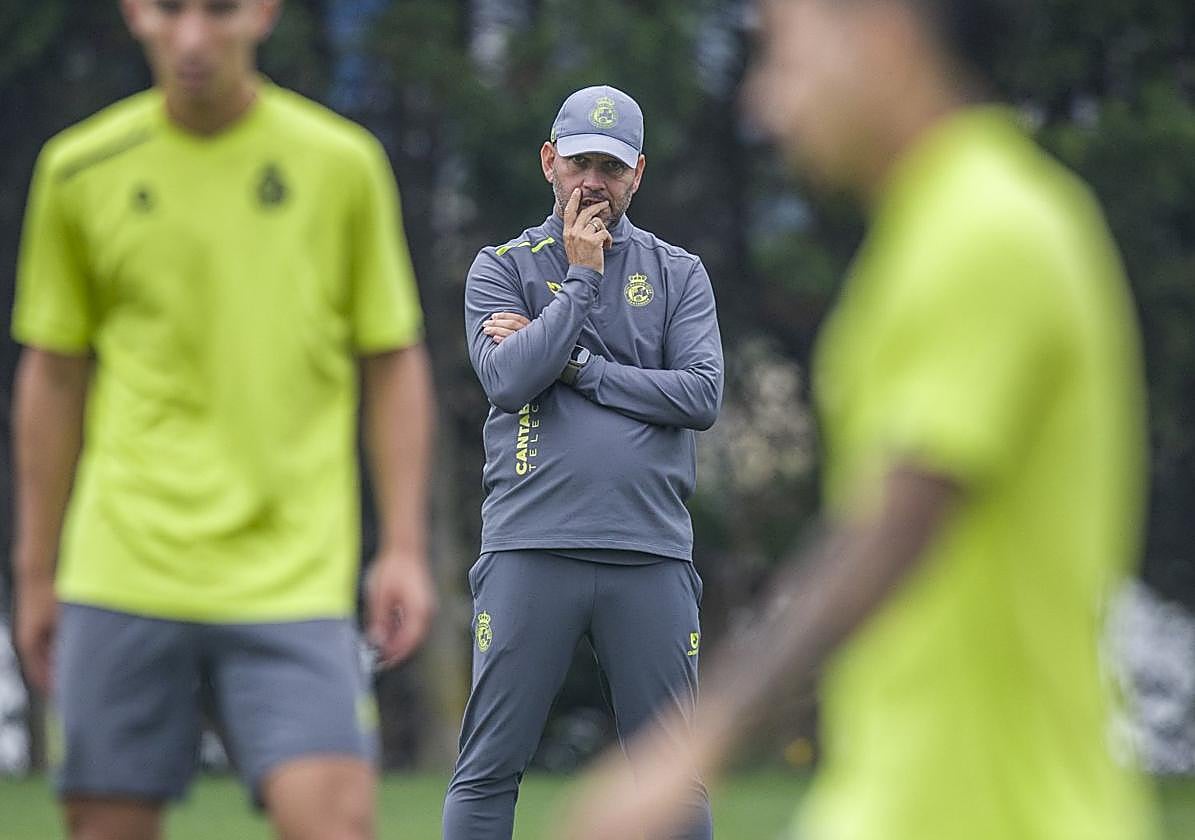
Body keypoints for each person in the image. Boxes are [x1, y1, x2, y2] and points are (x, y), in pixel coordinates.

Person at [559, 1, 1159, 839]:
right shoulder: (927, 232)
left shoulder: (988, 228)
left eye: (782, 55)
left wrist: (689, 744)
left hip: (1001, 813)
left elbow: (895, 526)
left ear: (879, 31)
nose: (765, 103)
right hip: (901, 801)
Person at [10, 2, 436, 839]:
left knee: (335, 824)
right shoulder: (77, 168)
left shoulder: (342, 164)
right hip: (123, 562)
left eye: (221, 9)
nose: (194, 38)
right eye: (171, 10)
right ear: (136, 12)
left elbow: (391, 359)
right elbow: (54, 376)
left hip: (294, 569)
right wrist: (34, 571)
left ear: (265, 12)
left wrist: (404, 548)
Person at [442, 85, 723, 840]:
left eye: (610, 165)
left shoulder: (678, 273)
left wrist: (578, 367)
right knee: (489, 766)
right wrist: (581, 280)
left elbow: (698, 394)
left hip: (649, 552)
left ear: (638, 174)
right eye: (577, 163)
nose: (591, 180)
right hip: (531, 545)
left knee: (672, 776)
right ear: (548, 162)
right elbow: (505, 378)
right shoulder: (500, 268)